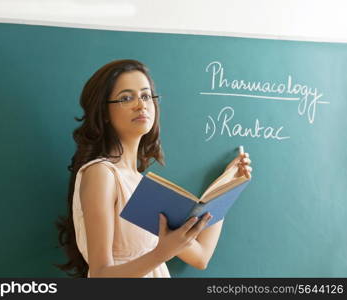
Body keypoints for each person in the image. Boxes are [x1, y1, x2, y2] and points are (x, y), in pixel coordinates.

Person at [55, 59, 252, 278]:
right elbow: (100, 275)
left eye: (146, 95)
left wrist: (228, 184)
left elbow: (201, 257)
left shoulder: (142, 185)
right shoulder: (102, 173)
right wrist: (161, 253)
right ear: (104, 113)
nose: (141, 105)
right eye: (126, 98)